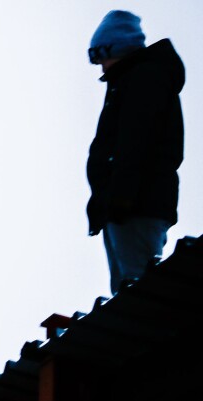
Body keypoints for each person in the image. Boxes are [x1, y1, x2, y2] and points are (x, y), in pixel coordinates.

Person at [86, 10, 184, 295]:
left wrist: (121, 198)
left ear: (115, 48)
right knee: (127, 291)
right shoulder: (127, 81)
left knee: (138, 291)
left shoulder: (143, 78)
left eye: (101, 56)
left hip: (135, 206)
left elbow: (136, 142)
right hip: (124, 205)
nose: (101, 66)